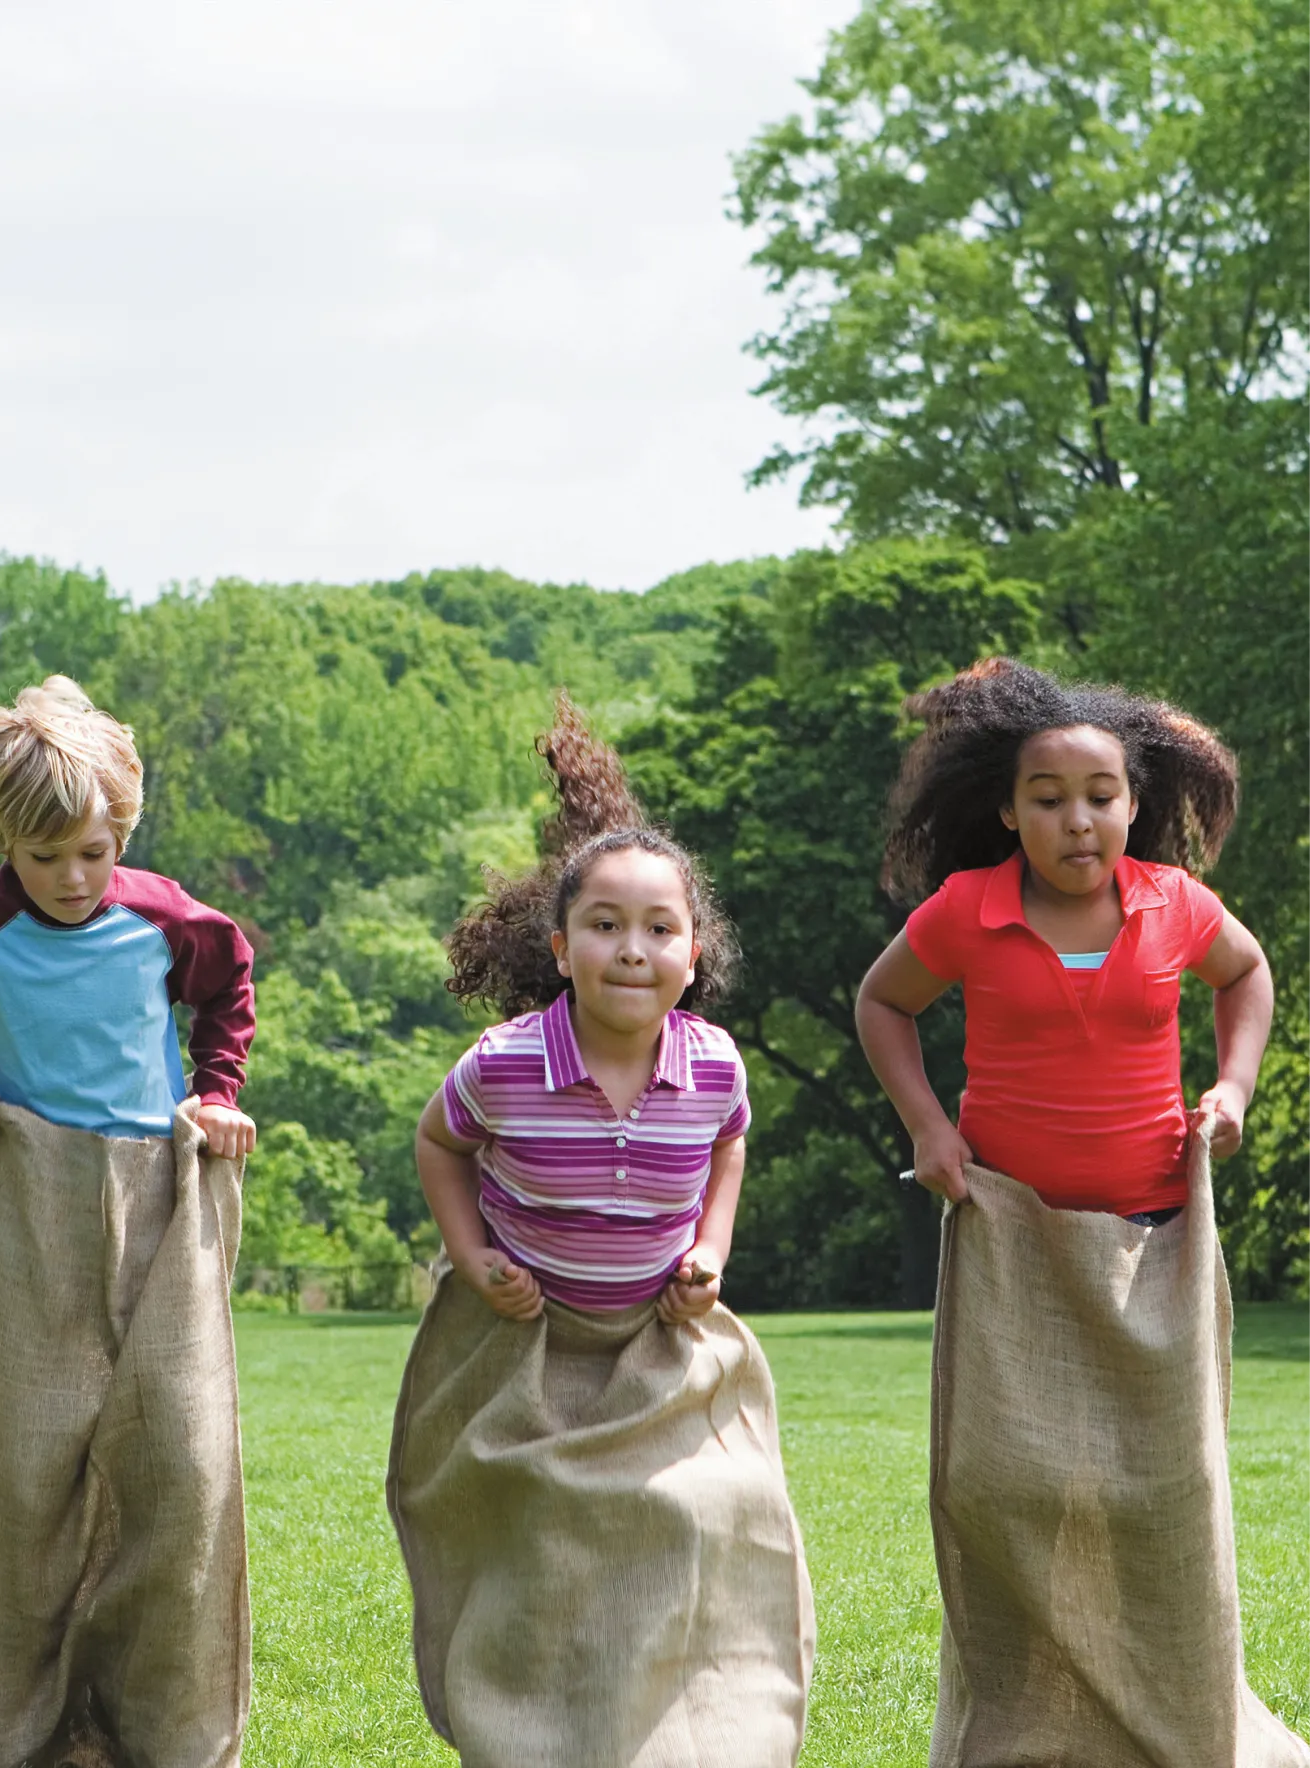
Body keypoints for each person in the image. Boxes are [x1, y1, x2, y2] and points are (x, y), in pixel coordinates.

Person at [854, 658, 1305, 1765]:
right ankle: (1027, 1725)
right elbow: (882, 1002)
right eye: (1047, 798)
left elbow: (1246, 974)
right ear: (1009, 812)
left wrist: (1233, 1087)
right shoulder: (966, 911)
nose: (1077, 819)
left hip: (1155, 1239)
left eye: (1099, 795)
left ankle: (1175, 1721)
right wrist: (927, 1126)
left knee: (1168, 1488)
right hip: (1008, 1234)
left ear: (1133, 803)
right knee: (998, 1482)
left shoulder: (1173, 904)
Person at [0, 676, 257, 1768]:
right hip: (25, 1205)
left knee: (181, 1466)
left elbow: (229, 982)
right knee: (16, 1477)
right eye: (44, 856)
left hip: (158, 1200)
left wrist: (216, 1091)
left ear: (123, 832)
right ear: (1, 841)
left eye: (93, 852)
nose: (72, 878)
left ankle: (162, 1725)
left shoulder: (162, 915)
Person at [387, 696, 813, 1768]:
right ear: (561, 948)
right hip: (524, 1344)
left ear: (692, 953)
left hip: (658, 1344)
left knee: (711, 1507)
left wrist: (709, 1248)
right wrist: (472, 1256)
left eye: (659, 929)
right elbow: (438, 1142)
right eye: (605, 926)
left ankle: (698, 1729)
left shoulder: (712, 1064)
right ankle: (535, 1731)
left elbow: (729, 1145)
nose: (633, 949)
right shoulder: (504, 1065)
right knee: (541, 1538)